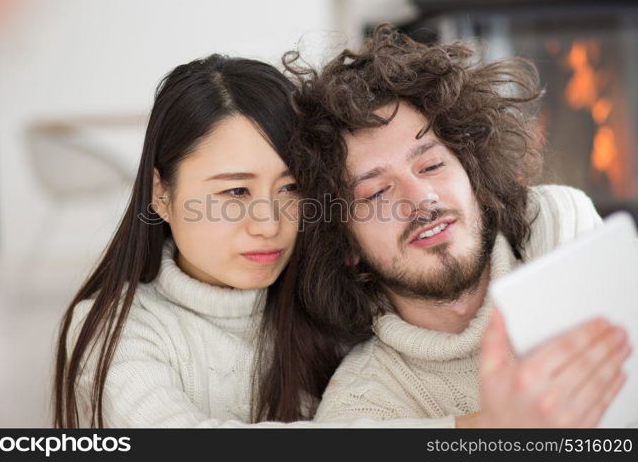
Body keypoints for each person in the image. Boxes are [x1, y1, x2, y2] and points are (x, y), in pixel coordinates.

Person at [52, 54, 454, 428]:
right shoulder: (111, 328)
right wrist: (466, 431)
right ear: (161, 193)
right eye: (236, 192)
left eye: (291, 187)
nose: (268, 224)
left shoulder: (330, 299)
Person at [281, 24, 631, 427]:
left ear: (472, 172)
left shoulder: (558, 226)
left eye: (431, 165)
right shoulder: (360, 408)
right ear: (345, 244)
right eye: (376, 192)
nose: (421, 199)